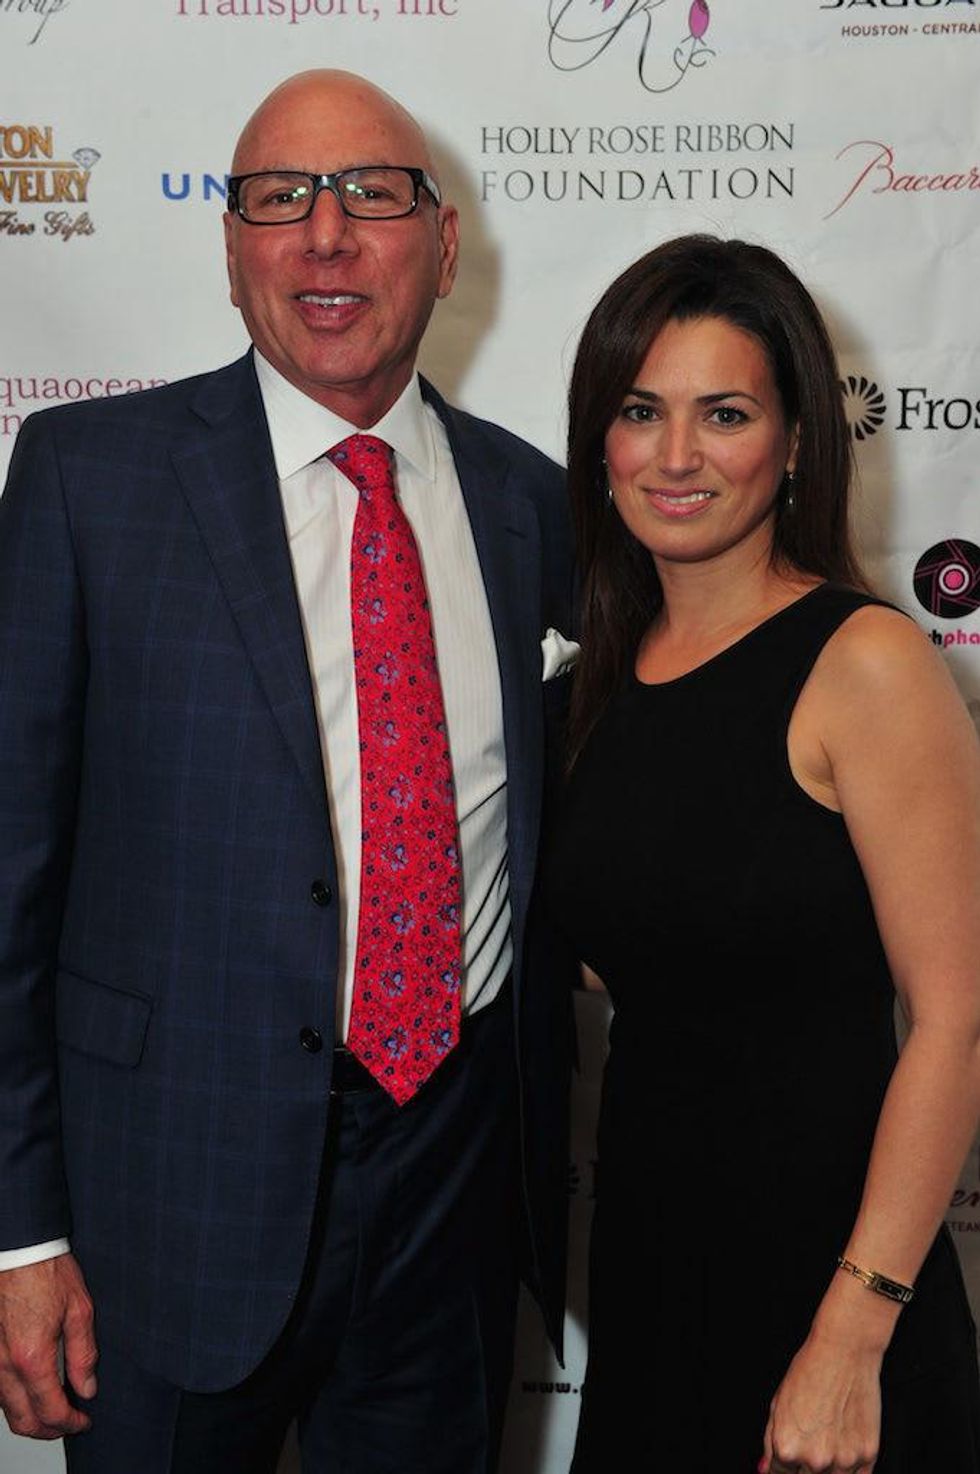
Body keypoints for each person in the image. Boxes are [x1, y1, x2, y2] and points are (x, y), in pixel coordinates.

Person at [0, 69, 576, 1474]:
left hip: (447, 1207)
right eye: (279, 199)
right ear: (233, 248)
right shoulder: (89, 479)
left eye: (371, 194)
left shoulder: (533, 504)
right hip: (165, 1207)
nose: (325, 236)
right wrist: (22, 1228)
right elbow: (7, 873)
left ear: (443, 244)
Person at [546, 234, 980, 1473]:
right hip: (646, 1282)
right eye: (641, 411)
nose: (675, 457)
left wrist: (849, 1335)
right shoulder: (591, 693)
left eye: (722, 413)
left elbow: (952, 1020)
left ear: (793, 442)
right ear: (600, 440)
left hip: (828, 1291)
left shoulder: (865, 664)